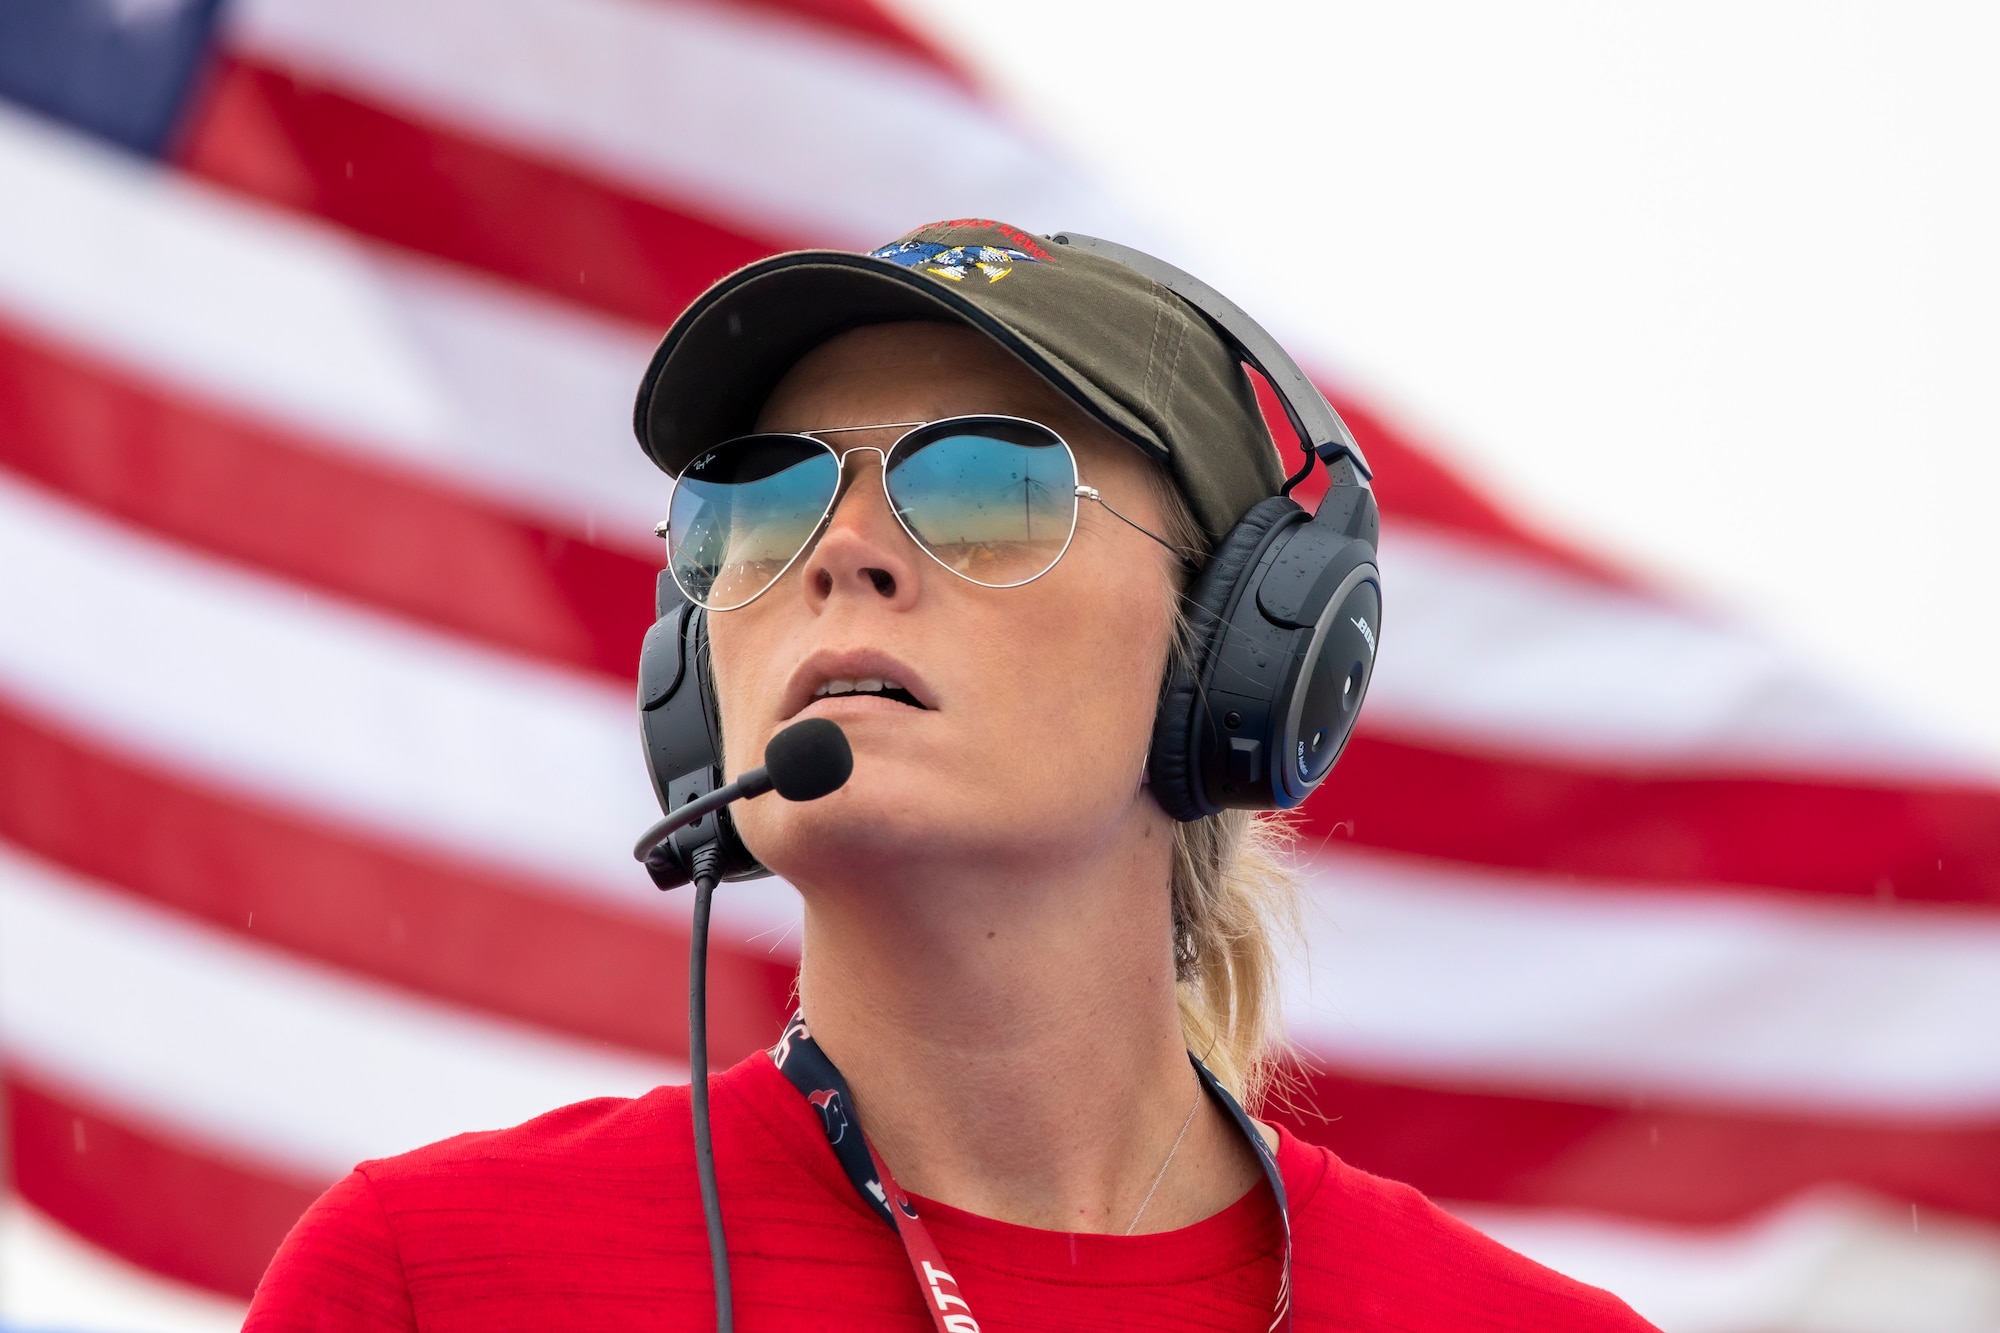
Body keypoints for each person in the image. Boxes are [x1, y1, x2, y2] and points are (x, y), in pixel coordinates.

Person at [245, 220, 1654, 1331]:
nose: (843, 550)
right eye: (766, 495)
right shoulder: (432, 1283)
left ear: (1239, 647)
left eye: (987, 485)